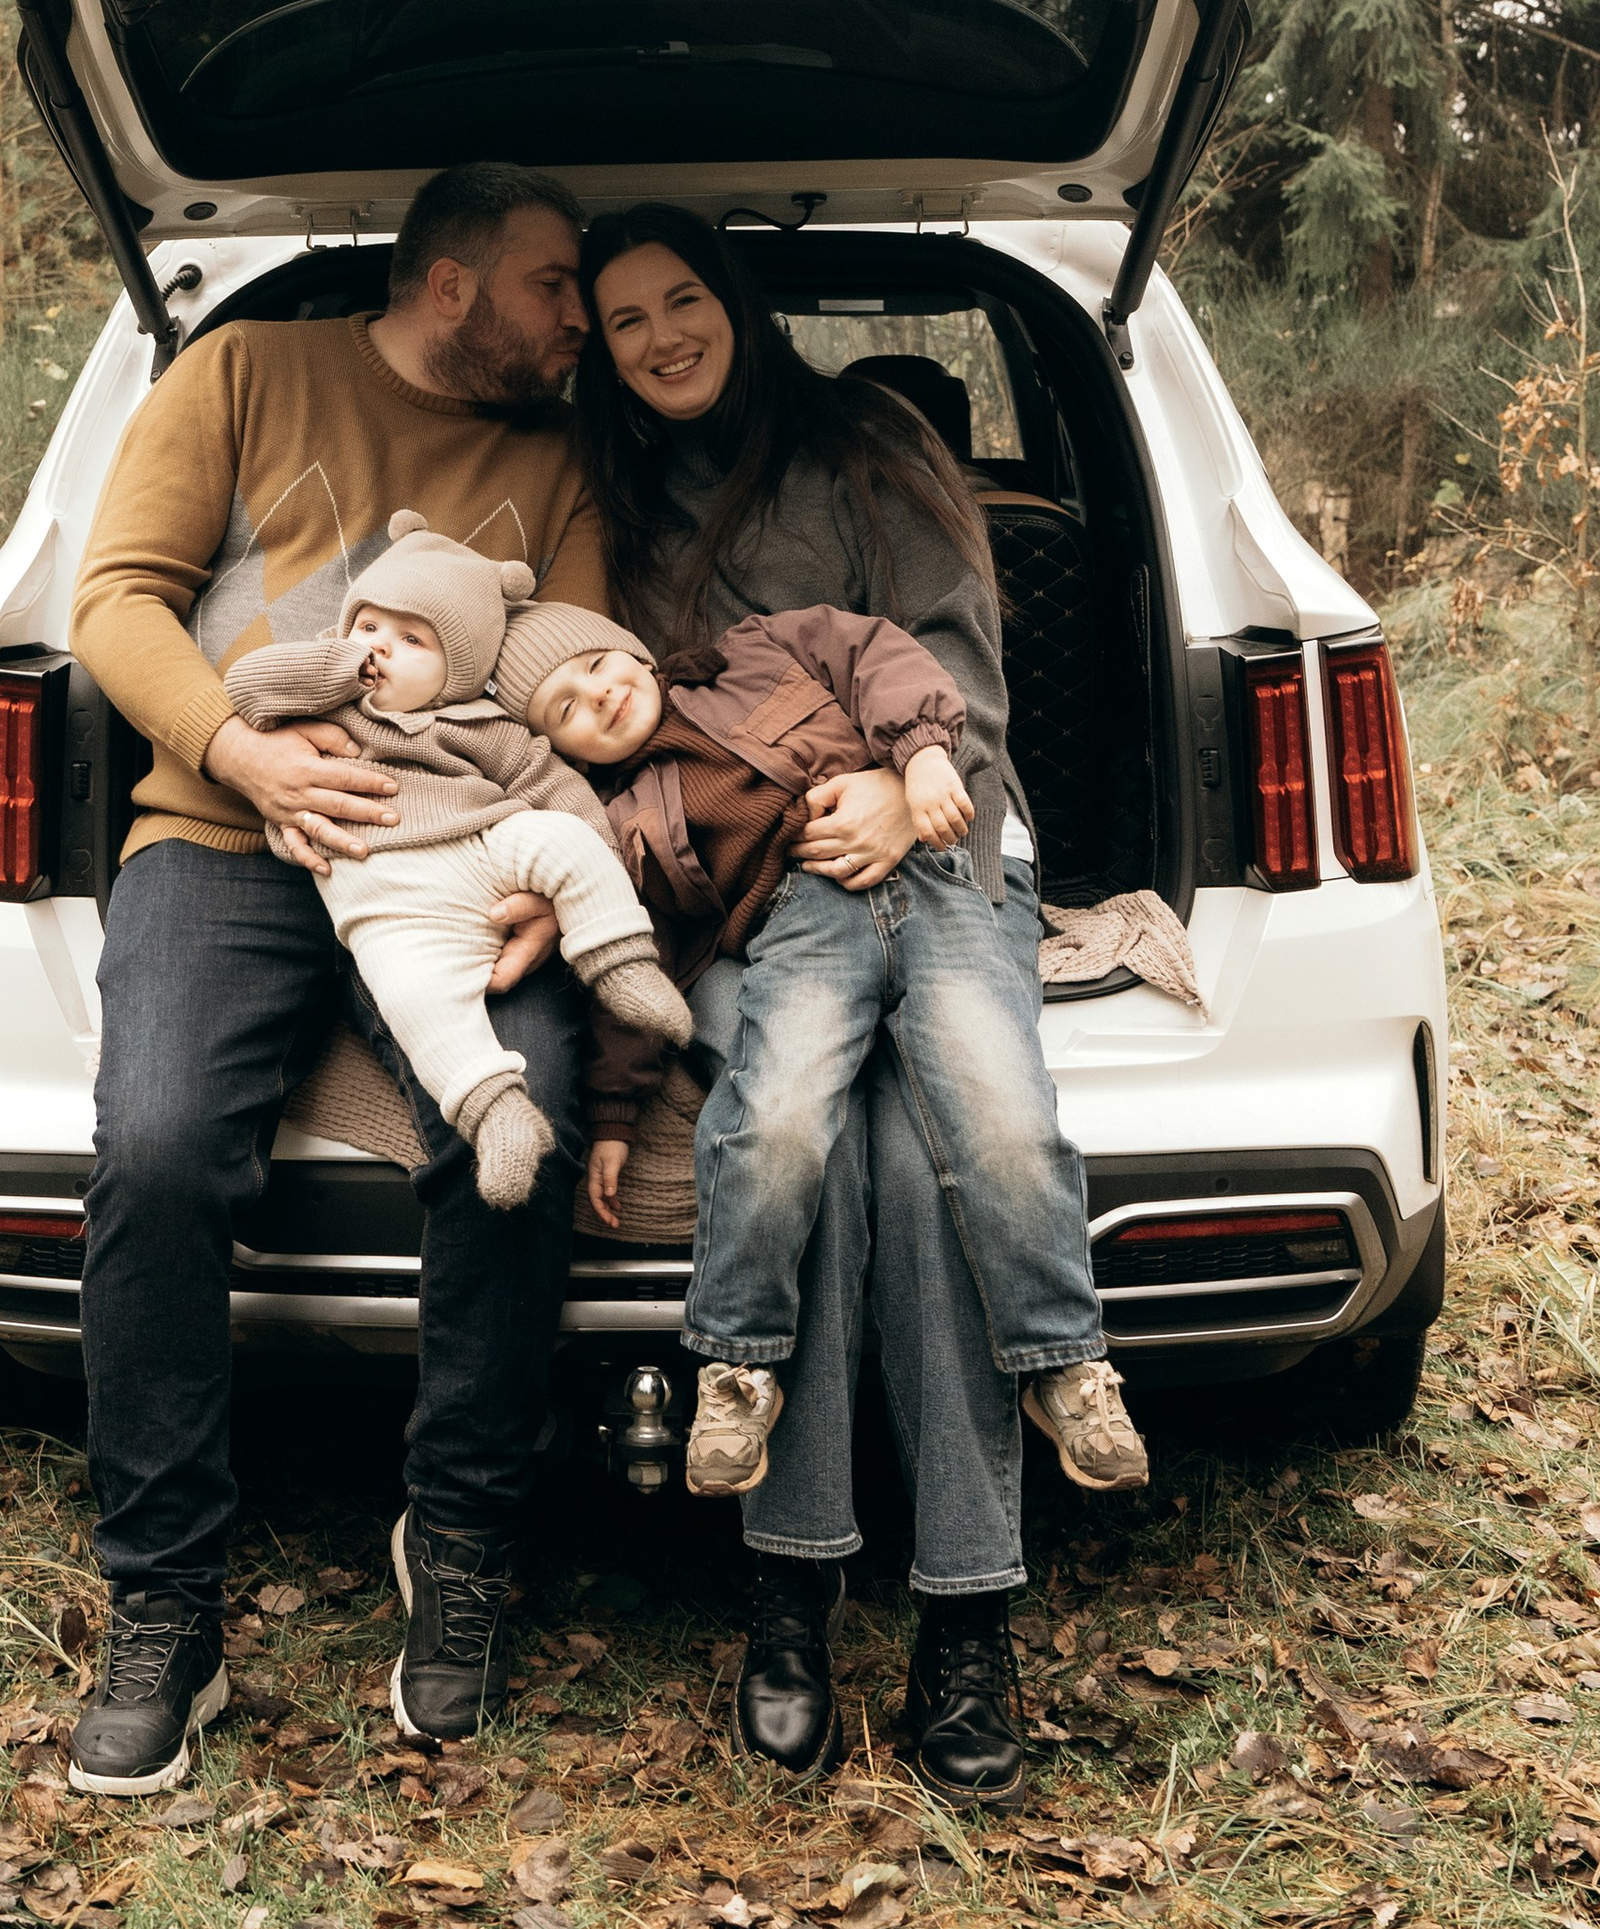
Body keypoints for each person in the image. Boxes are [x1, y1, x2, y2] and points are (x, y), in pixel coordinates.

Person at [571, 204, 1146, 1808]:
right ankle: (794, 1591)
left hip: (941, 837)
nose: (667, 336)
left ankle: (967, 1614)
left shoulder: (869, 444)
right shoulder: (603, 498)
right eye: (628, 320)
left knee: (926, 1155)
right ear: (603, 354)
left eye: (688, 300)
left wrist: (913, 791)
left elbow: (952, 668)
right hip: (765, 894)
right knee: (820, 1151)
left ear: (737, 304)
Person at [63, 162, 611, 1791]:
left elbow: (580, 670)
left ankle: (455, 1539)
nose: (575, 320)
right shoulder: (242, 370)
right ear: (454, 287)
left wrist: (561, 878)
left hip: (456, 862)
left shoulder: (557, 460)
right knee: (156, 1148)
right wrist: (244, 749)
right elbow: (113, 601)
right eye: (553, 287)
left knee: (523, 1129)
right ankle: (167, 1605)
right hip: (223, 845)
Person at [493, 599, 1127, 1499]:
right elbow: (634, 968)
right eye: (564, 709)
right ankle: (738, 1366)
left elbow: (881, 655)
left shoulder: (755, 649)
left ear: (633, 649)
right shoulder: (625, 827)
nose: (597, 698)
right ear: (564, 753)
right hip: (804, 924)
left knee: (1003, 1110)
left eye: (596, 666)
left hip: (938, 881)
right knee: (776, 1117)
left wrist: (924, 753)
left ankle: (1065, 1362)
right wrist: (611, 1113)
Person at [225, 517, 690, 1206]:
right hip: (386, 898)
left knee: (565, 845)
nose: (380, 647)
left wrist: (583, 877)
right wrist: (341, 663)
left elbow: (560, 793)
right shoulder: (328, 702)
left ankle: (621, 964)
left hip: (486, 849)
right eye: (370, 625)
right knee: (419, 1003)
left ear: (458, 674)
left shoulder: (480, 724)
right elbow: (247, 685)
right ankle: (496, 1115)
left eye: (412, 640)